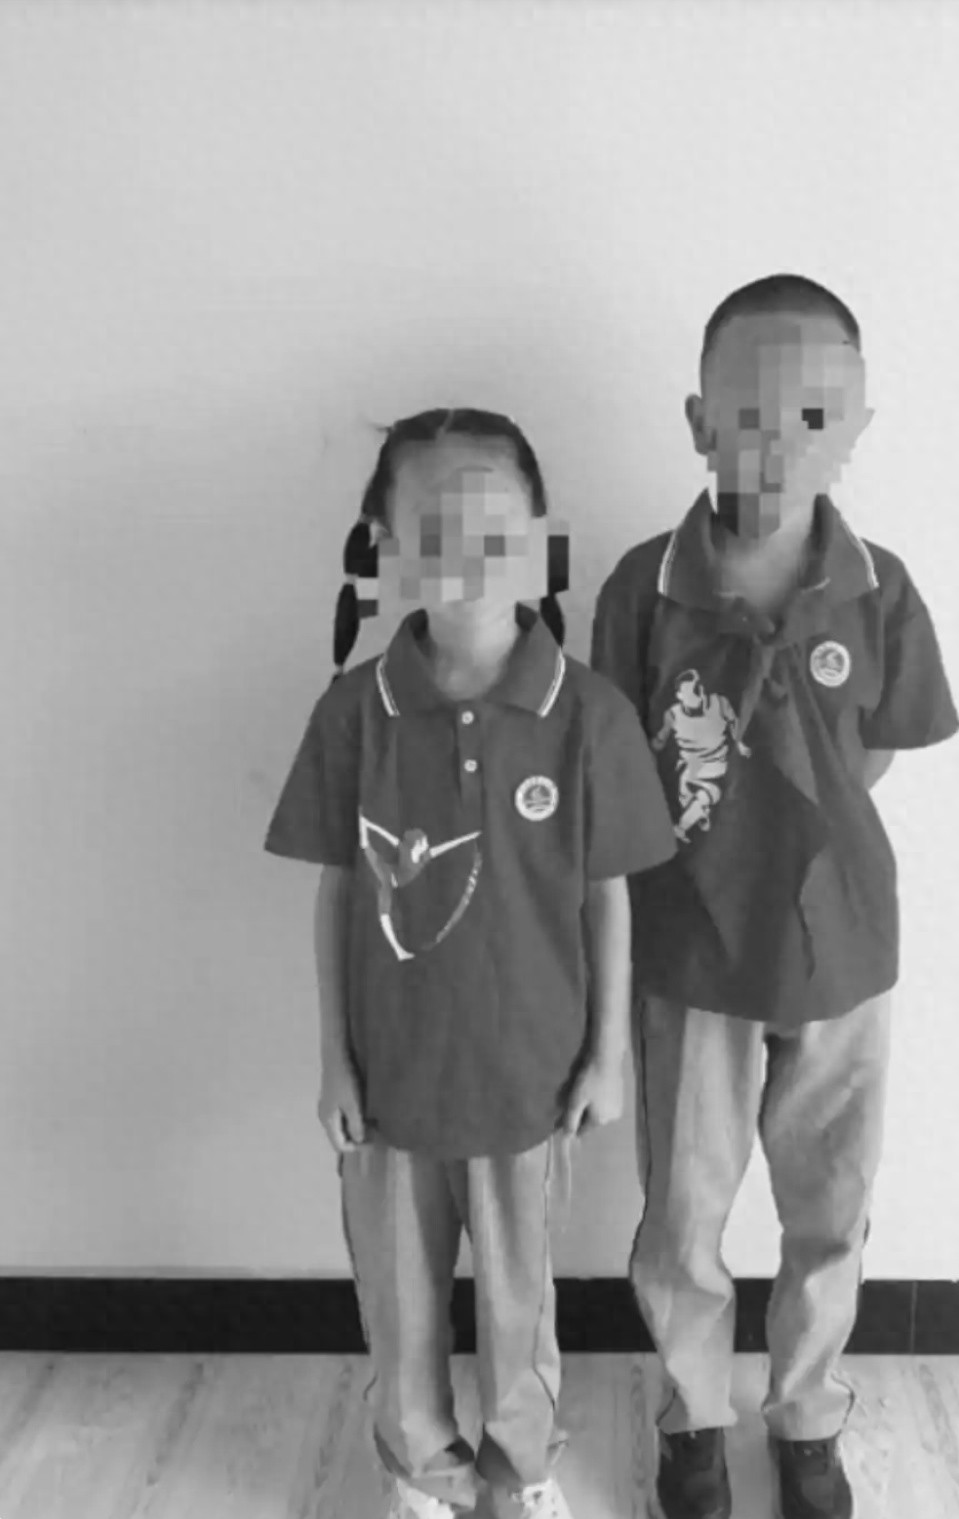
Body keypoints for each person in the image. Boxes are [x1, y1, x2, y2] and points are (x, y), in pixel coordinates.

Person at [590, 276, 959, 1519]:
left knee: (831, 1201)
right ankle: (693, 1416)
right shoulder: (642, 591)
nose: (780, 440)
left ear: (857, 429)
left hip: (843, 949)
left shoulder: (879, 589)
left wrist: (808, 839)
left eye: (814, 415)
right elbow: (614, 763)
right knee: (684, 1207)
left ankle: (807, 1415)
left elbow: (879, 748)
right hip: (690, 954)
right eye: (749, 412)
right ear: (700, 422)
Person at [264, 408, 678, 1519]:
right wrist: (334, 1060)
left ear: (542, 542)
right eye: (435, 530)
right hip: (389, 1085)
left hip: (529, 1083)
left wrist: (607, 1054)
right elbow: (337, 890)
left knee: (518, 1302)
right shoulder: (354, 713)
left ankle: (519, 1468)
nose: (466, 554)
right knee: (398, 1304)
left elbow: (608, 892)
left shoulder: (588, 715)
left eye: (495, 529)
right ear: (385, 547)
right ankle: (421, 1471)